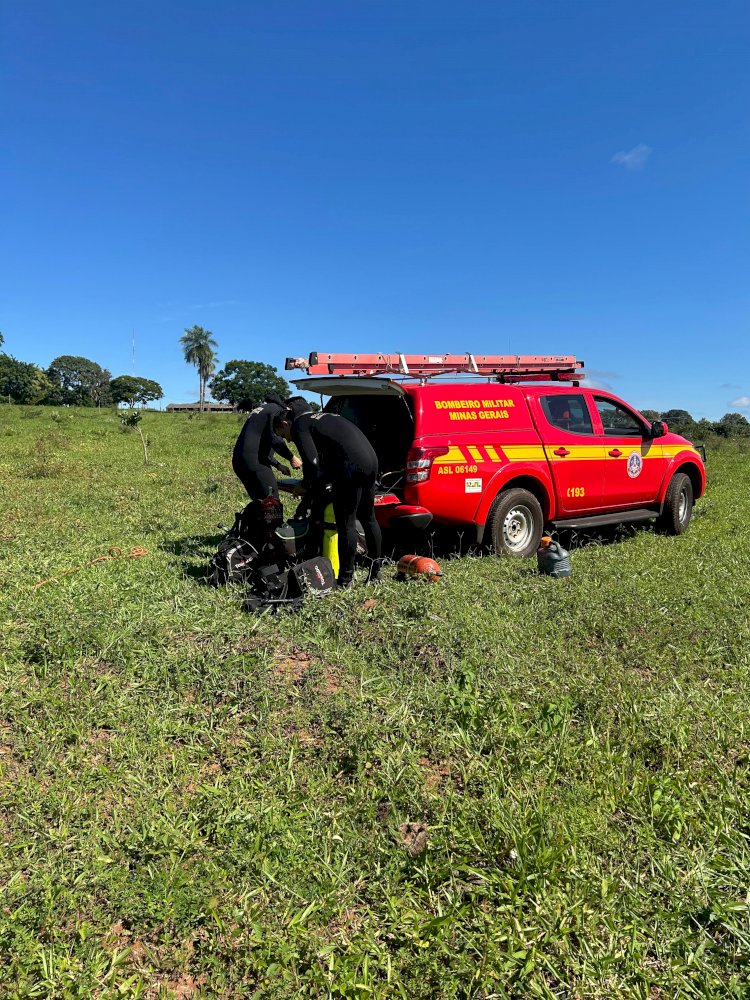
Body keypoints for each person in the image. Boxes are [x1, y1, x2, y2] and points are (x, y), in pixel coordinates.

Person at [276, 398, 382, 587]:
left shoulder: (300, 424)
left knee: (346, 524)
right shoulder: (323, 418)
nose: (288, 440)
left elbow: (312, 463)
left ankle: (345, 580)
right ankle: (375, 573)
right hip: (371, 461)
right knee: (368, 518)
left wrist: (304, 485)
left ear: (286, 423)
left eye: (283, 435)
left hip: (351, 466)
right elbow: (328, 460)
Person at [232, 393, 301, 501]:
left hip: (239, 461)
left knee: (260, 501)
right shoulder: (277, 411)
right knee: (273, 503)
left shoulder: (265, 409)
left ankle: (253, 518)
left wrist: (278, 465)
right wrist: (291, 457)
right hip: (254, 462)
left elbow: (260, 447)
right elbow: (274, 439)